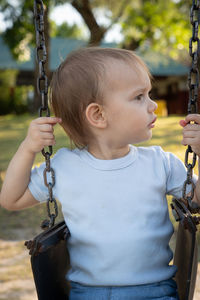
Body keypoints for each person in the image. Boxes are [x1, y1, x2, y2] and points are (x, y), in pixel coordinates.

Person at [0, 47, 200, 300]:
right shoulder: (64, 167)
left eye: (148, 94)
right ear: (98, 114)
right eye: (139, 96)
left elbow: (197, 198)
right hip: (87, 293)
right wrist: (28, 148)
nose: (152, 105)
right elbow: (11, 199)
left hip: (155, 291)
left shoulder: (160, 163)